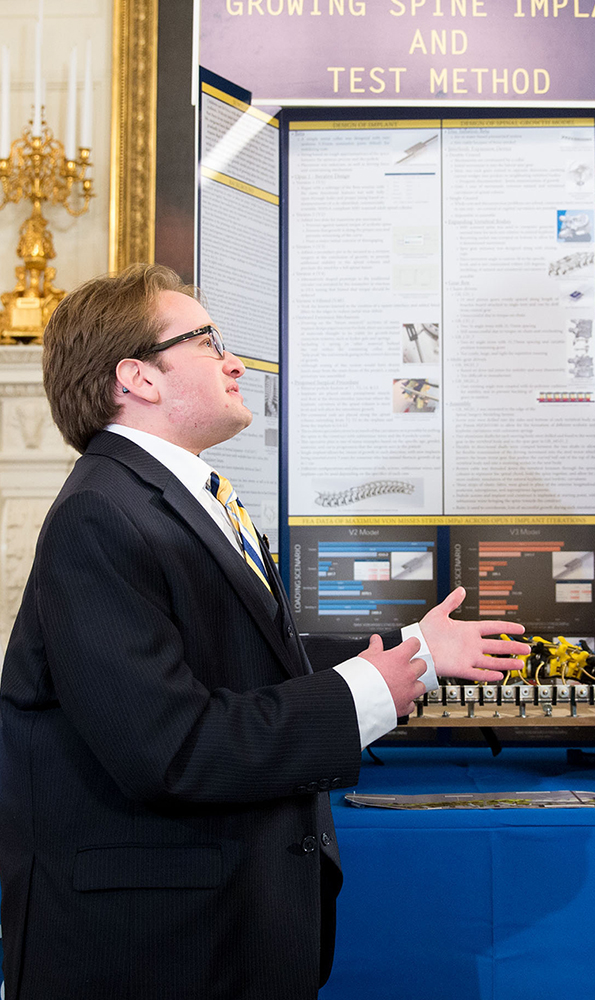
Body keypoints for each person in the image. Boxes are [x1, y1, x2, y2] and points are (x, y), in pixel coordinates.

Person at [0, 263, 531, 999]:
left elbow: (244, 657)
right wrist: (369, 693)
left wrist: (416, 651)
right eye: (207, 340)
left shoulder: (169, 495)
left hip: (216, 926)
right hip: (153, 952)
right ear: (139, 378)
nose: (235, 360)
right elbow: (171, 747)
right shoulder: (101, 514)